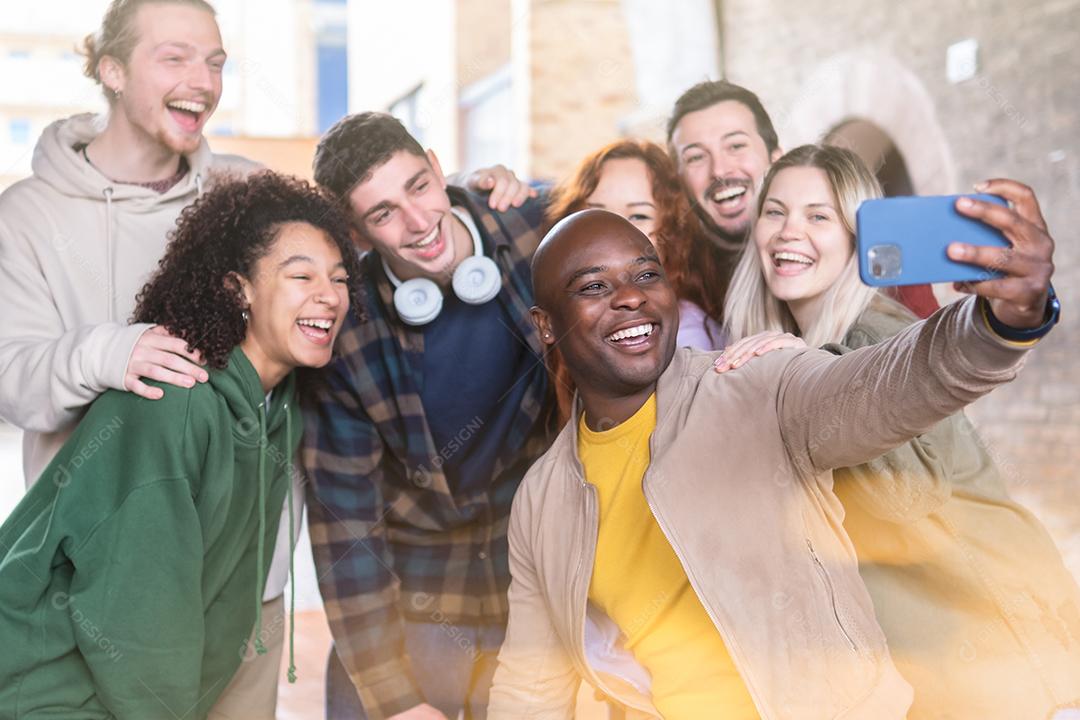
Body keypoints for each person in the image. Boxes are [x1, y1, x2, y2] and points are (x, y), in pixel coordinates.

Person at [487, 178, 1058, 717]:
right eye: (593, 287)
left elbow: (892, 386)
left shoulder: (756, 383)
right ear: (545, 325)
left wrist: (1001, 321)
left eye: (647, 275)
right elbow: (531, 686)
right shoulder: (542, 500)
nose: (630, 299)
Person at [719, 144, 1080, 718]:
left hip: (1005, 667)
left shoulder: (877, 334)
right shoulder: (776, 349)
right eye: (775, 211)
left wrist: (1008, 320)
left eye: (819, 216)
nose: (790, 232)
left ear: (858, 238)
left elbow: (925, 381)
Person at [0, 171, 362, 719]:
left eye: (338, 279)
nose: (329, 296)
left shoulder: (277, 405)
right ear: (239, 289)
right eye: (300, 275)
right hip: (51, 694)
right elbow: (138, 619)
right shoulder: (176, 402)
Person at [306, 112, 553, 720]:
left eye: (419, 186)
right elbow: (346, 526)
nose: (419, 223)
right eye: (383, 213)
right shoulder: (347, 328)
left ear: (440, 169)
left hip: (538, 577)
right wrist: (394, 697)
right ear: (357, 235)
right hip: (419, 588)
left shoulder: (535, 231)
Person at [667, 79, 939, 318]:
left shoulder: (880, 251)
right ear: (680, 181)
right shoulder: (679, 284)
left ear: (777, 160)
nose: (720, 170)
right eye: (696, 157)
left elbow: (931, 355)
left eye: (736, 145)